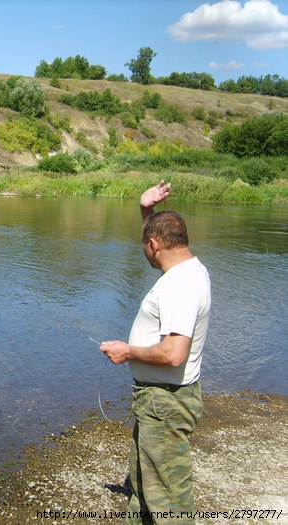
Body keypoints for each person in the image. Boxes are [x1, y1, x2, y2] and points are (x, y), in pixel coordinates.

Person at [100, 181, 211, 524]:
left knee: (168, 503)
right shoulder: (189, 268)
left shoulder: (180, 285)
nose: (145, 252)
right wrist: (145, 210)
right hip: (161, 400)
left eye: (146, 245)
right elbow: (155, 239)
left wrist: (128, 351)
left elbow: (174, 353)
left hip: (165, 403)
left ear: (155, 244)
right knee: (146, 487)